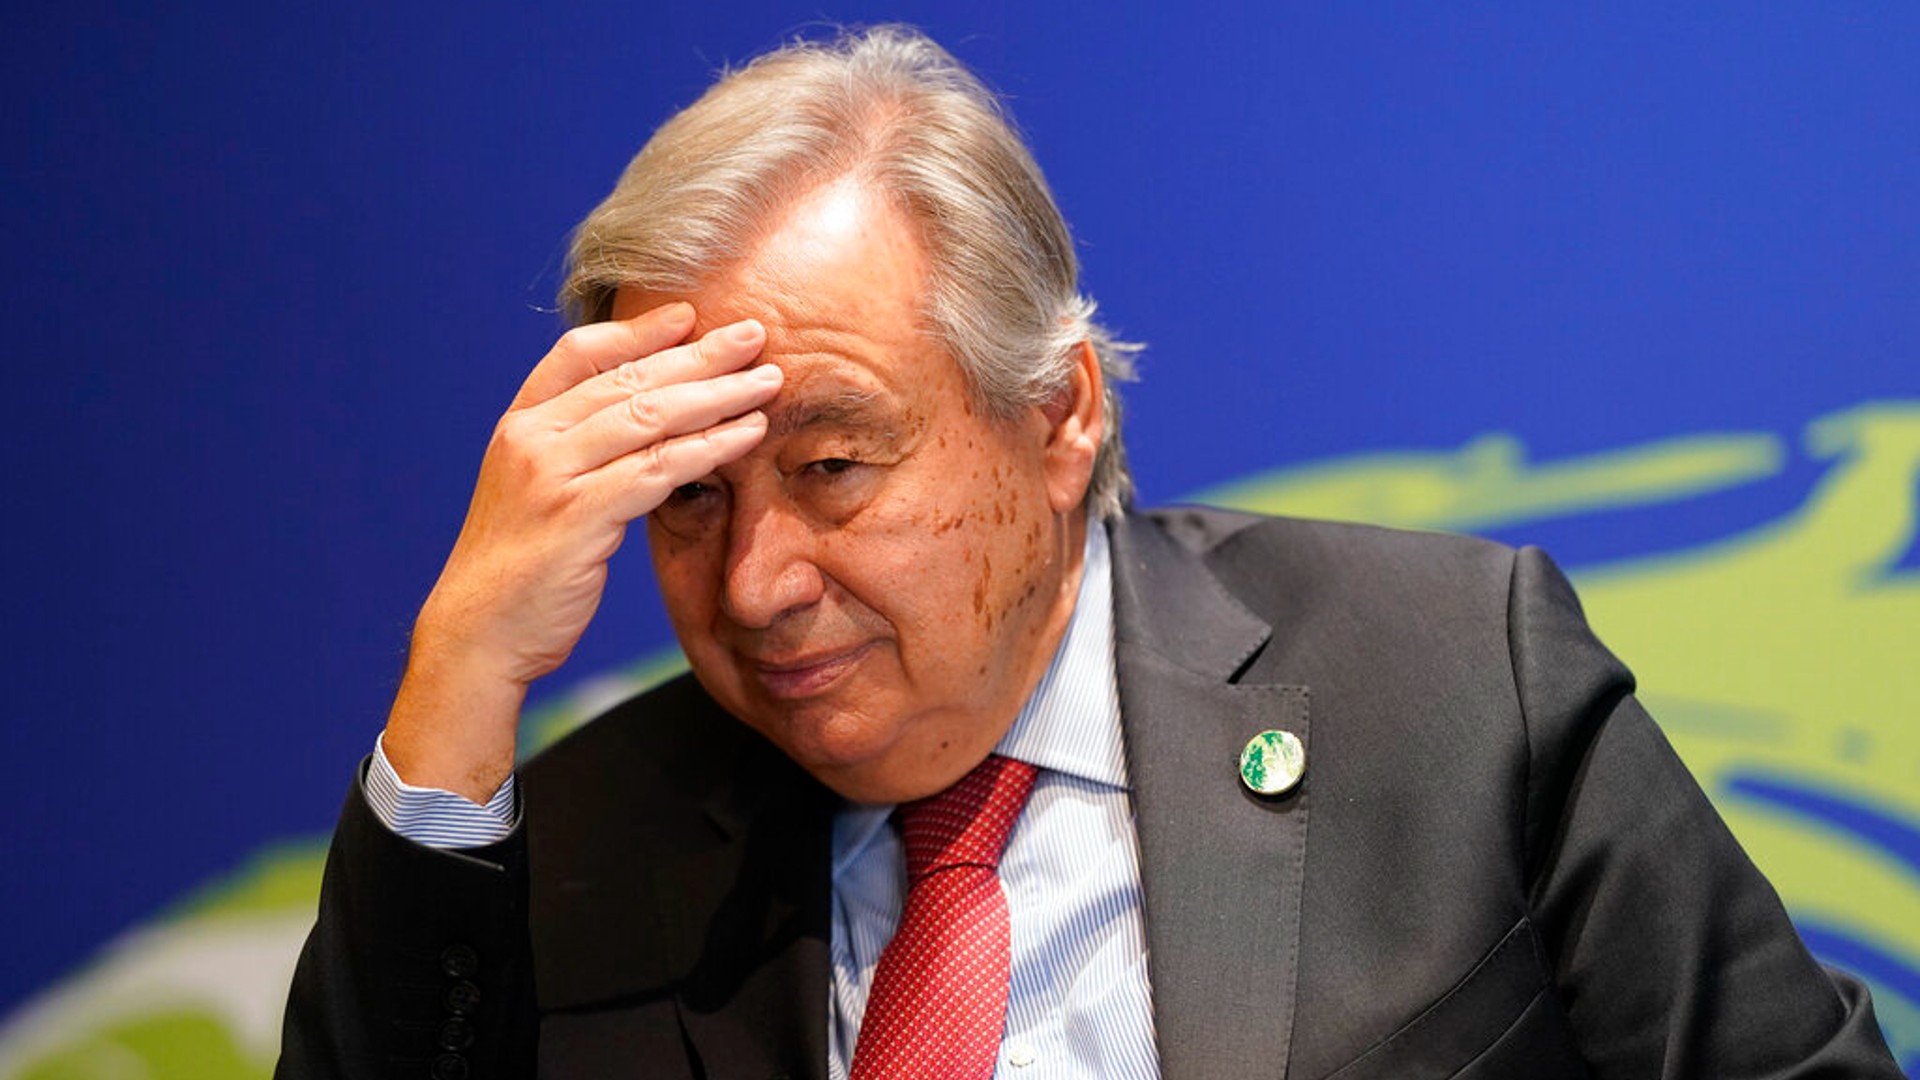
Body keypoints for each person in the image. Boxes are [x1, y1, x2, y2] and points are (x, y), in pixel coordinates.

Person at [277, 25, 1903, 1080]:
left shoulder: (1451, 684)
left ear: (1055, 415)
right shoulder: (580, 843)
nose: (759, 579)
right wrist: (456, 677)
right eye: (689, 496)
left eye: (833, 466)